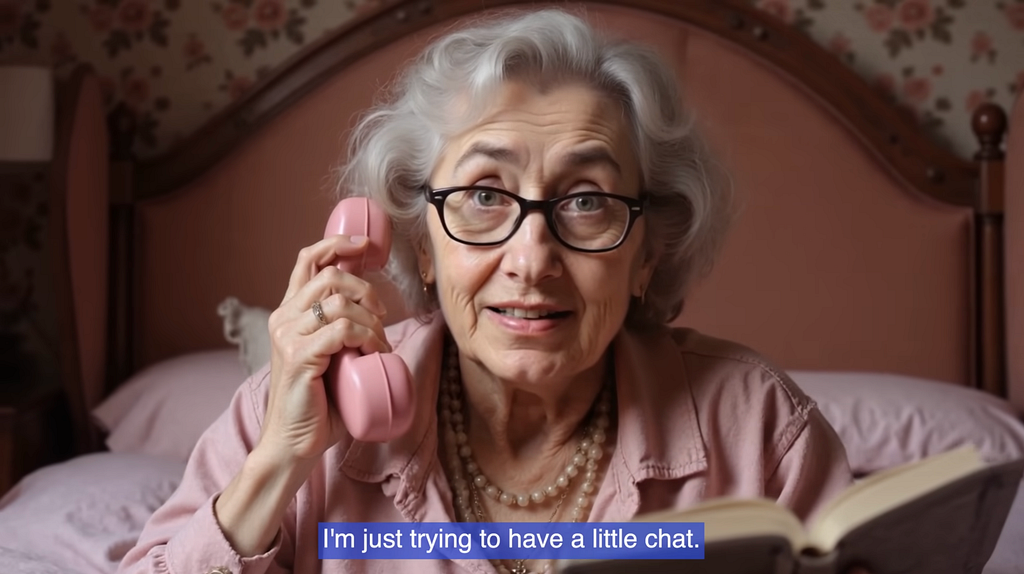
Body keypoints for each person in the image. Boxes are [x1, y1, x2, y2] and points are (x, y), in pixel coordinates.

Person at [119, 9, 852, 574]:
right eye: (483, 195)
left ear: (647, 254)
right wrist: (279, 462)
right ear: (418, 242)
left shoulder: (760, 433)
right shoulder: (283, 417)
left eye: (588, 201)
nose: (532, 259)